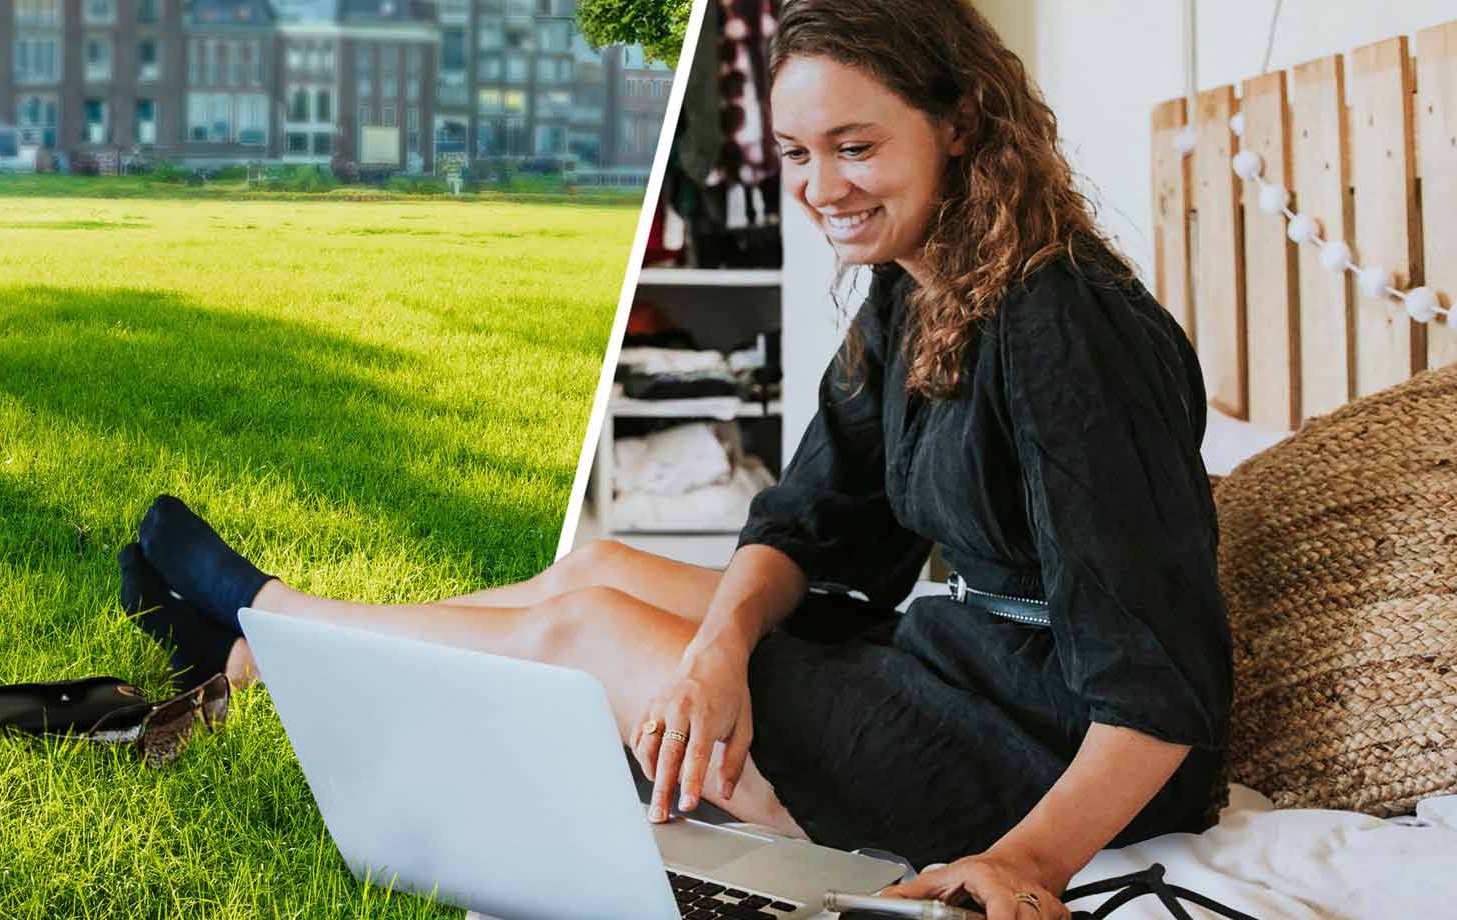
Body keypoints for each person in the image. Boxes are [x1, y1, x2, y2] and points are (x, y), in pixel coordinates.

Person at [117, 3, 1229, 918]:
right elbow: (809, 520)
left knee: (583, 635)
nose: (822, 188)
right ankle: (263, 658)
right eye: (799, 154)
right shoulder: (920, 286)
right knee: (593, 572)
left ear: (966, 121)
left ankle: (271, 621)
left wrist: (1029, 862)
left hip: (1065, 749)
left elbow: (1155, 687)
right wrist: (718, 651)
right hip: (969, 661)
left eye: (856, 146)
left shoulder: (1065, 326)